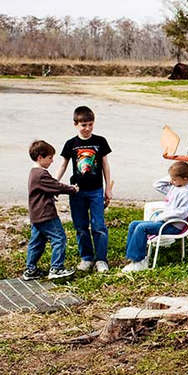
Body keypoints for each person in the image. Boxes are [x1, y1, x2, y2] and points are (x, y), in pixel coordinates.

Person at [55, 105, 112, 273]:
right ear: (75, 124)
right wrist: (53, 184)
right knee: (80, 226)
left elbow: (105, 166)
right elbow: (63, 165)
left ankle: (101, 259)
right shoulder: (70, 144)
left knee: (99, 226)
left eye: (90, 124)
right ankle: (86, 258)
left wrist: (108, 188)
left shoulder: (100, 141)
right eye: (83, 125)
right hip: (77, 192)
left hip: (96, 191)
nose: (87, 128)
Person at [122, 161, 188, 272]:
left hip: (173, 225)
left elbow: (183, 212)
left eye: (174, 179)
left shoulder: (185, 192)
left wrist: (164, 216)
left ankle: (139, 262)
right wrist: (172, 176)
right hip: (166, 222)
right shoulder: (175, 187)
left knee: (142, 228)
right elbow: (157, 185)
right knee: (134, 224)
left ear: (185, 179)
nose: (172, 181)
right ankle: (133, 258)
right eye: (172, 179)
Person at [24, 140, 77, 281]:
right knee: (59, 238)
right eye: (50, 158)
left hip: (36, 214)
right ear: (40, 158)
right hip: (46, 214)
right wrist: (73, 189)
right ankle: (57, 268)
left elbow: (45, 189)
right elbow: (56, 185)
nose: (52, 161)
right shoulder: (41, 174)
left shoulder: (33, 172)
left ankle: (30, 269)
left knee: (37, 242)